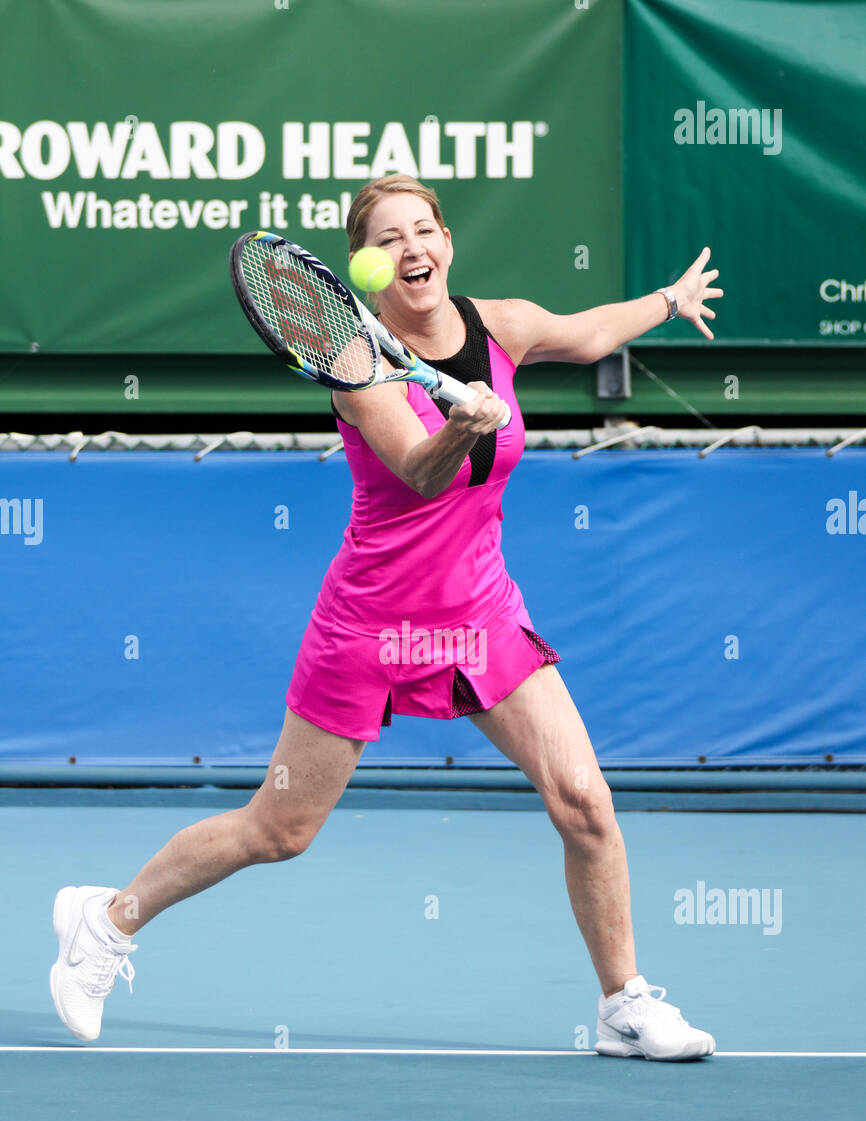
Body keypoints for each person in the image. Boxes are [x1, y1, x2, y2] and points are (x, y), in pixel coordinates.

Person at [51, 174, 723, 1059]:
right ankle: (107, 921)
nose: (414, 249)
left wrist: (668, 302)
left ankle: (623, 1005)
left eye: (425, 230)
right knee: (277, 832)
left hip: (480, 613)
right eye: (390, 239)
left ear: (446, 240)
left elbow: (584, 330)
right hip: (370, 624)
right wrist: (463, 426)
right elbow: (418, 471)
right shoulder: (354, 364)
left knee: (585, 804)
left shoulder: (500, 327)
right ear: (368, 266)